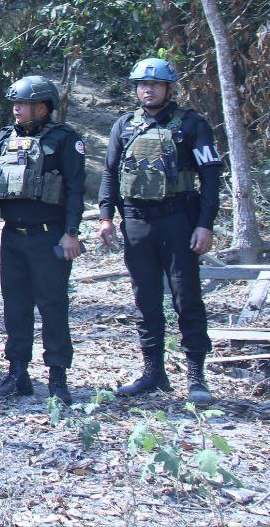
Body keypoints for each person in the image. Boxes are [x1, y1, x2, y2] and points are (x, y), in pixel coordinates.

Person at [98, 57, 221, 404]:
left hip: (178, 220)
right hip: (137, 221)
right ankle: (154, 373)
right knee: (145, 300)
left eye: (154, 84)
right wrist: (106, 216)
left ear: (170, 88)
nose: (147, 89)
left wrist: (204, 224)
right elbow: (109, 174)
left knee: (187, 298)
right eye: (141, 84)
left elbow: (210, 177)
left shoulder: (192, 124)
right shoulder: (124, 125)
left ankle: (196, 376)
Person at [0, 76, 85, 406]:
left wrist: (71, 233)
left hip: (49, 237)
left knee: (53, 306)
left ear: (42, 107)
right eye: (15, 103)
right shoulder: (4, 139)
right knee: (16, 308)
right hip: (13, 237)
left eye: (22, 104)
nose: (16, 109)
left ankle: (57, 376)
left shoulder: (65, 140)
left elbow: (75, 189)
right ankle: (17, 373)